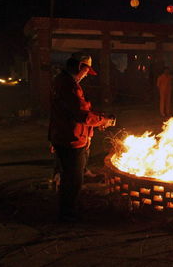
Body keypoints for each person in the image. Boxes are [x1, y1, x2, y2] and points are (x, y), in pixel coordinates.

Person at [49, 52, 116, 222]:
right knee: (73, 179)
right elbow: (82, 116)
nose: (87, 75)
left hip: (65, 135)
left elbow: (79, 110)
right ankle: (67, 214)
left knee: (69, 176)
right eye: (86, 71)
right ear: (80, 67)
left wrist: (97, 119)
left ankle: (67, 209)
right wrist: (104, 121)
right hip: (71, 139)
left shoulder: (62, 81)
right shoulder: (69, 86)